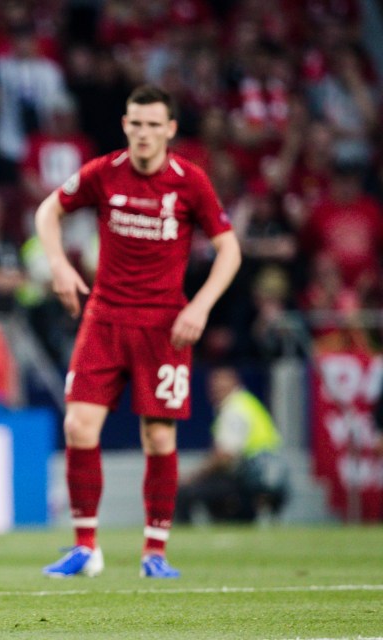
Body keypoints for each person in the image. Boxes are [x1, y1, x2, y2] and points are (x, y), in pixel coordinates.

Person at [34, 85, 241, 579]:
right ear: (125, 125)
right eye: (135, 123)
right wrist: (59, 266)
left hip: (164, 325)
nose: (143, 133)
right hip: (104, 317)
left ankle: (155, 552)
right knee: (78, 426)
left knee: (159, 437)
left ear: (170, 129)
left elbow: (229, 250)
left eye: (153, 125)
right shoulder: (104, 172)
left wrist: (202, 307)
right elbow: (48, 211)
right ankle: (86, 547)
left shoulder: (190, 182)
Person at [176, 367, 289, 524]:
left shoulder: (234, 409)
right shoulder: (247, 402)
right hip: (270, 474)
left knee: (184, 491)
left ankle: (183, 535)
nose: (215, 392)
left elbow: (225, 456)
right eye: (213, 387)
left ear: (234, 384)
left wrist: (193, 476)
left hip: (249, 477)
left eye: (220, 387)